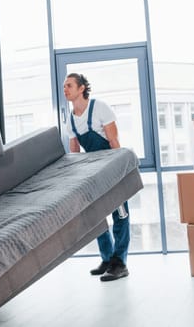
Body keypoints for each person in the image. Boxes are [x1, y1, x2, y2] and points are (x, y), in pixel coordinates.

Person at [64, 72, 130, 282]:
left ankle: (120, 263)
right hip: (92, 175)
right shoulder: (71, 119)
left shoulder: (100, 108)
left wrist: (121, 173)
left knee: (120, 215)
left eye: (69, 85)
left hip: (111, 169)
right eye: (64, 86)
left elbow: (114, 141)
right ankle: (107, 258)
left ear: (81, 88)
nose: (65, 89)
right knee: (96, 217)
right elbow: (74, 153)